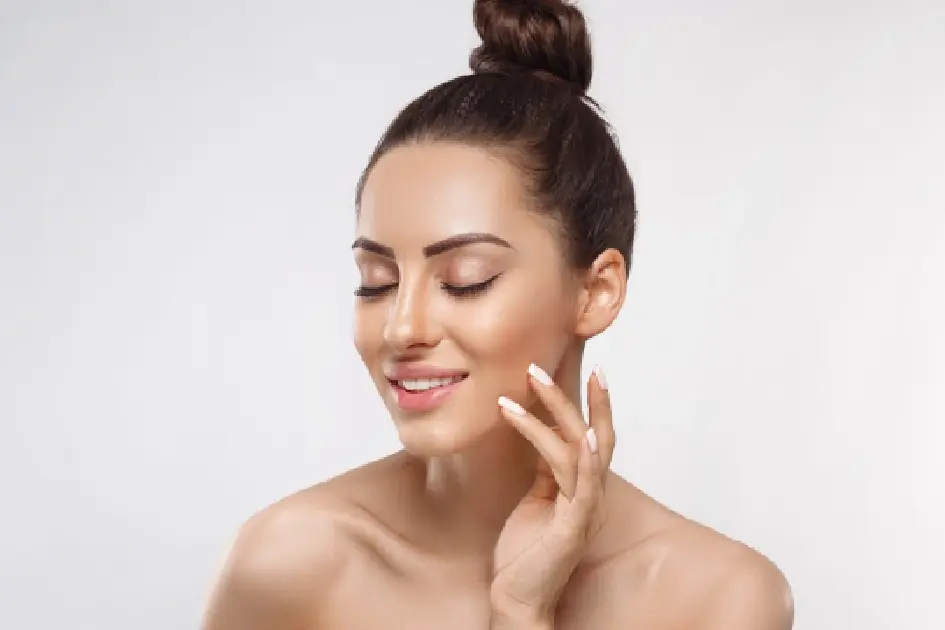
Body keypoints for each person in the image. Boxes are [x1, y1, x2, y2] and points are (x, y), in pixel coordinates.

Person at [201, 1, 794, 628]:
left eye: (465, 280)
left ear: (595, 292)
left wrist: (521, 611)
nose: (403, 328)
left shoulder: (717, 599)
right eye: (377, 282)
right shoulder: (289, 565)